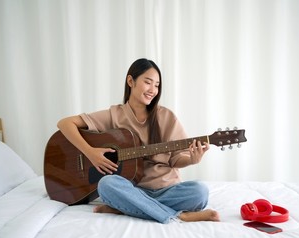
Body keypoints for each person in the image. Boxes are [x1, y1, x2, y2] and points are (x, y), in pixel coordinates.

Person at [57, 58, 220, 224]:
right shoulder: (114, 115)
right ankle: (178, 216)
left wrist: (192, 159)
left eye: (157, 85)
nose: (153, 90)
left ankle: (125, 208)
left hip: (167, 189)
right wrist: (90, 152)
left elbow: (176, 159)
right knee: (106, 184)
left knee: (200, 192)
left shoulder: (166, 116)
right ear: (130, 81)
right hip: (132, 190)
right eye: (148, 82)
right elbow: (65, 123)